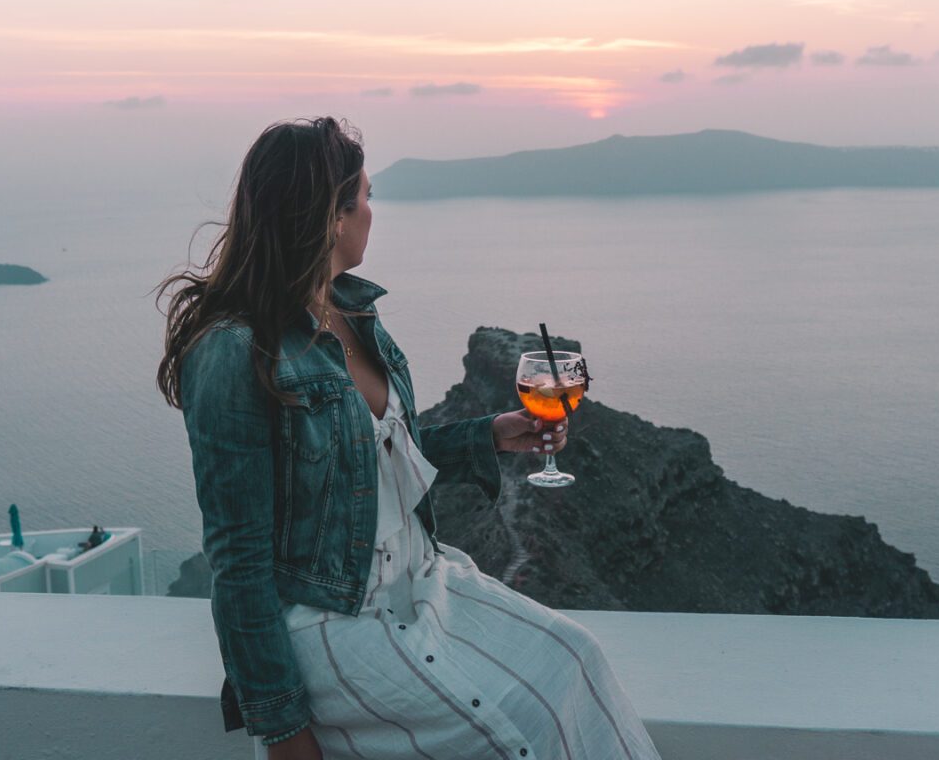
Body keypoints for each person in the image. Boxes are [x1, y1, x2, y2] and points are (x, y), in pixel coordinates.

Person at [157, 117, 661, 760]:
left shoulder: (353, 311)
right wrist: (282, 729)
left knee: (578, 658)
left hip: (425, 582)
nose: (373, 211)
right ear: (331, 218)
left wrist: (490, 435)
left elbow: (368, 456)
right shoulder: (235, 351)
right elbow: (237, 558)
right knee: (516, 735)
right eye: (365, 196)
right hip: (337, 620)